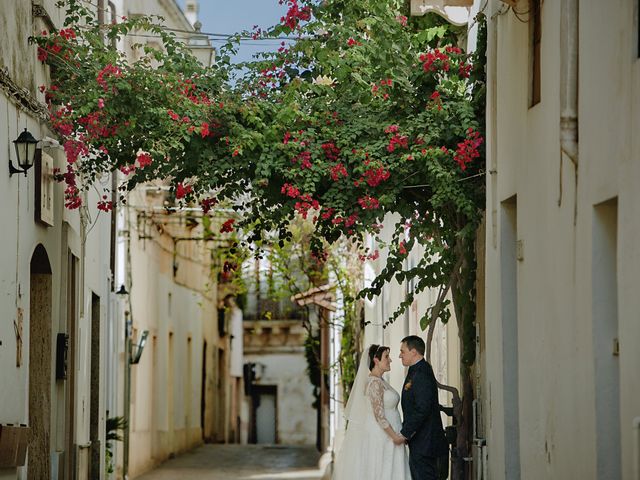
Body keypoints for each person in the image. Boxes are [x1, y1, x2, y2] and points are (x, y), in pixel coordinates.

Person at [333, 344, 410, 479]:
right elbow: (379, 415)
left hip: (390, 435)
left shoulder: (381, 381)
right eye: (386, 357)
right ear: (376, 360)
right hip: (383, 437)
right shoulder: (374, 383)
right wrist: (395, 437)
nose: (390, 360)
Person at [399, 335, 449, 480]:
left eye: (403, 351)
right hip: (420, 444)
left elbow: (422, 408)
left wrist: (405, 433)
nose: (399, 355)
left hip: (426, 445)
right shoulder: (416, 370)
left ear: (413, 352)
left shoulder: (421, 373)